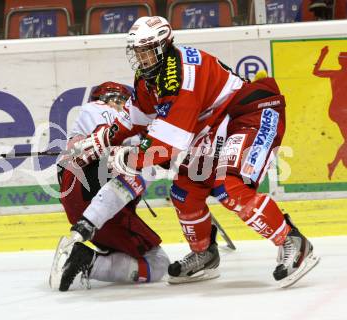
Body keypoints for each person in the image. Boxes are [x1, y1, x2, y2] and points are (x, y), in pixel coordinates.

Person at [71, 16, 319, 287]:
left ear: (164, 46)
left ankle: (293, 241)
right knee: (185, 192)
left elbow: (167, 145)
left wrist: (127, 157)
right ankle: (204, 254)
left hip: (250, 114)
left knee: (230, 186)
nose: (141, 58)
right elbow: (134, 118)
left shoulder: (182, 78)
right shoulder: (149, 77)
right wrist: (102, 138)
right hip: (217, 128)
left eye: (147, 50)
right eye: (137, 51)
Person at [55, 81, 170, 291]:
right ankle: (90, 261)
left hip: (72, 197)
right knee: (158, 264)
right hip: (98, 200)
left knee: (123, 250)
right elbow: (138, 167)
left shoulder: (86, 113)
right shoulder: (133, 119)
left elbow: (65, 167)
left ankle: (92, 245)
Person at [313, 46, 347, 180]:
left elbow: (316, 71)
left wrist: (322, 54)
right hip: (343, 112)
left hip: (335, 110)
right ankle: (333, 164)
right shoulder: (336, 74)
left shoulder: (335, 73)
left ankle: (333, 165)